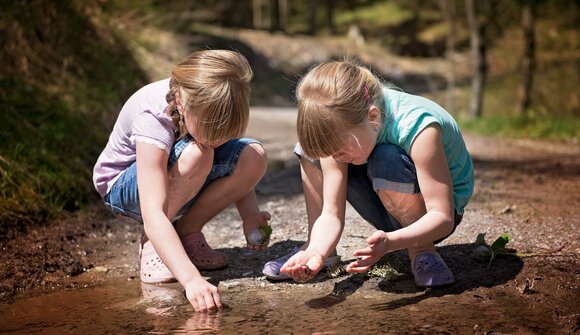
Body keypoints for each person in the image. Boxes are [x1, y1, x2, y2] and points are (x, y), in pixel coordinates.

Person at [262, 60, 474, 287]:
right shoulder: (348, 131)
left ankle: (422, 251)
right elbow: (331, 214)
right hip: (387, 208)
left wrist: (391, 243)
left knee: (386, 157)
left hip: (432, 219)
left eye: (341, 150)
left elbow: (442, 217)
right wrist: (316, 251)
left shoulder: (418, 126)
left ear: (373, 116)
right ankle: (319, 246)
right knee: (310, 149)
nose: (338, 158)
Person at [93, 50, 271, 312]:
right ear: (180, 102)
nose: (220, 141)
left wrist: (250, 214)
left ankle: (186, 232)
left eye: (227, 134)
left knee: (252, 155)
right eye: (213, 132)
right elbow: (153, 211)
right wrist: (191, 280)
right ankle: (152, 244)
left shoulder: (206, 104)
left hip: (179, 175)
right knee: (200, 152)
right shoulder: (153, 117)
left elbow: (231, 159)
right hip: (124, 189)